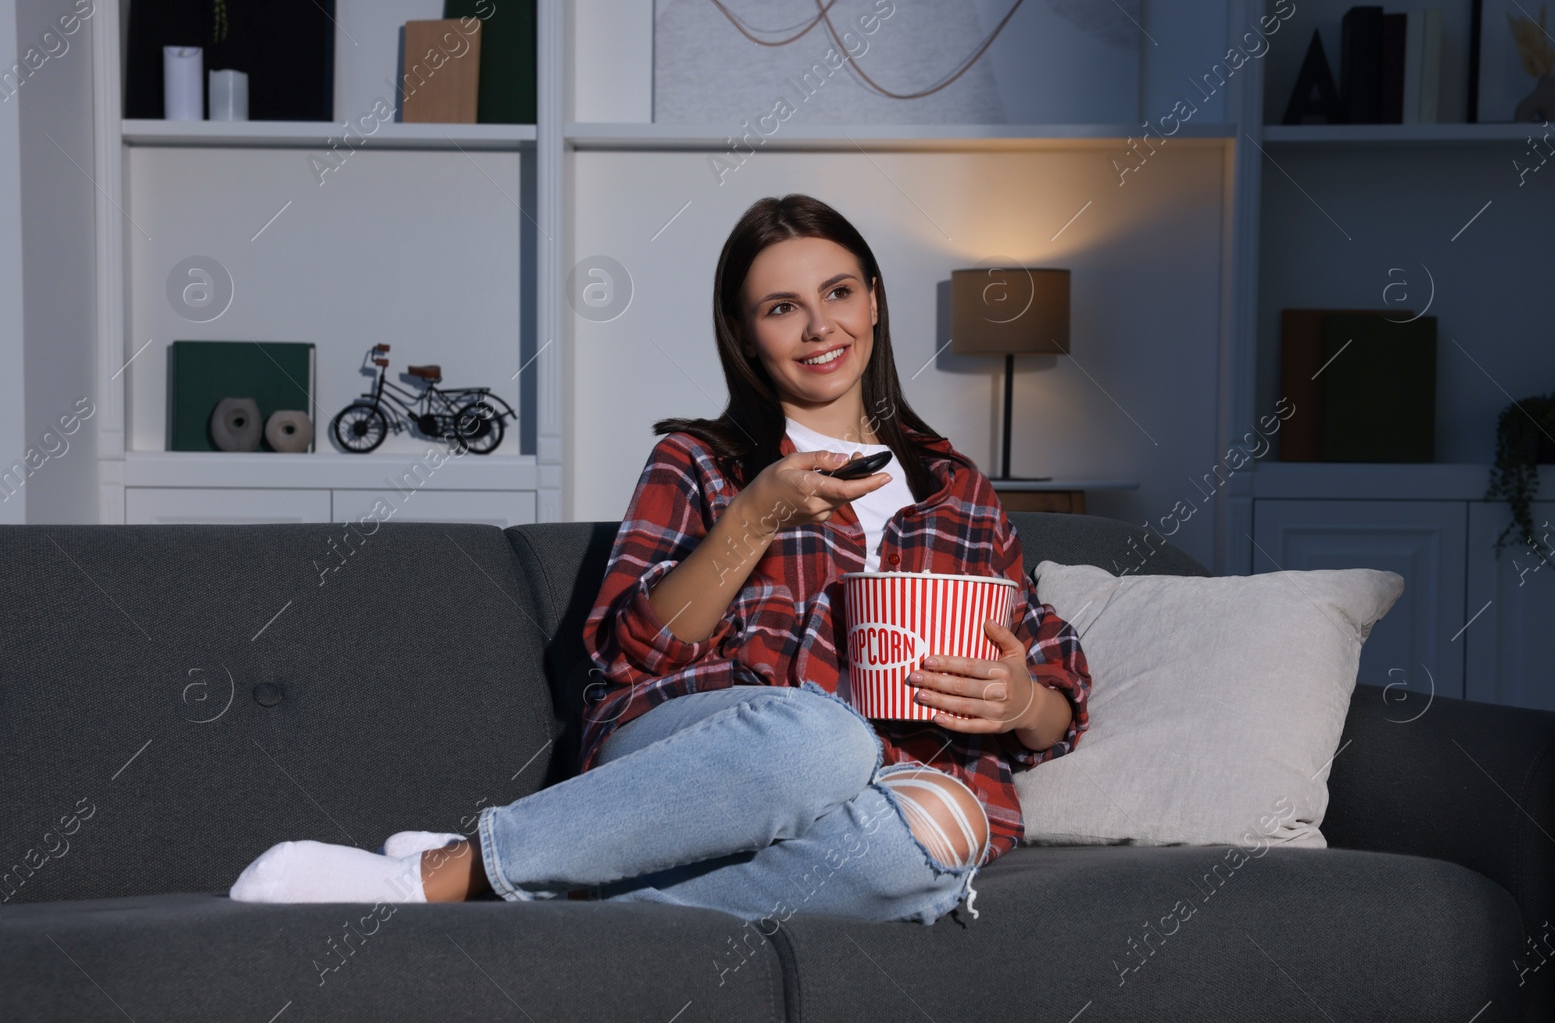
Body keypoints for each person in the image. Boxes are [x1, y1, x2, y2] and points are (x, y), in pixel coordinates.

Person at [228, 193, 1091, 928]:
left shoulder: (956, 487)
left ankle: (563, 879)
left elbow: (1052, 688)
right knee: (820, 735)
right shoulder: (701, 460)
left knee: (944, 837)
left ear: (873, 303)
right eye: (782, 306)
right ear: (748, 336)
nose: (819, 325)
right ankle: (439, 878)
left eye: (838, 292)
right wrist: (755, 517)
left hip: (895, 783)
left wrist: (1022, 700)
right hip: (710, 747)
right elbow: (629, 652)